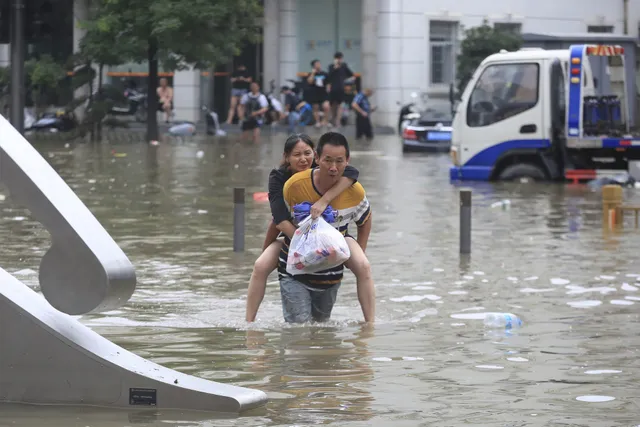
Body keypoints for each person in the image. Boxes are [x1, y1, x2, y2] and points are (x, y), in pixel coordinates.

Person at [245, 133, 375, 323]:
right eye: (297, 155)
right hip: (294, 235)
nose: (303, 159)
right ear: (287, 157)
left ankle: (370, 324)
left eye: (307, 153)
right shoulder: (283, 181)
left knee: (363, 266)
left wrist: (324, 200)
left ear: (314, 155)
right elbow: (278, 220)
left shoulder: (331, 171)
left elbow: (352, 174)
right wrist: (306, 242)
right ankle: (249, 323)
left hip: (337, 235)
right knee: (260, 265)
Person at [327, 52, 354, 127]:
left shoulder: (344, 66)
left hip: (341, 88)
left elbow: (351, 74)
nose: (339, 60)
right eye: (337, 58)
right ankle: (332, 119)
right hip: (333, 89)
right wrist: (335, 67)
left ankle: (338, 121)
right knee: (332, 105)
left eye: (340, 58)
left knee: (340, 105)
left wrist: (347, 81)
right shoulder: (331, 66)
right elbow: (328, 76)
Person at [306, 59, 330, 128]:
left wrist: (328, 89)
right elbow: (309, 81)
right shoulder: (311, 74)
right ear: (313, 66)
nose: (318, 65)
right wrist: (313, 73)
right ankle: (317, 122)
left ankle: (325, 121)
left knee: (326, 107)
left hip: (323, 92)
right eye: (316, 64)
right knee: (315, 108)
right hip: (314, 92)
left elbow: (328, 83)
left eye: (319, 63)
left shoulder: (324, 74)